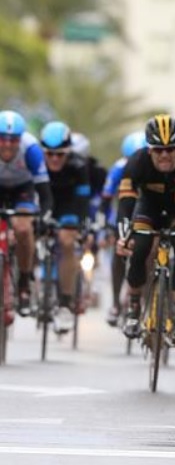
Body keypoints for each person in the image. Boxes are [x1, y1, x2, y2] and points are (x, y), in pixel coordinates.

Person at [117, 114, 175, 348]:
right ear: (149, 150)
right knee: (139, 248)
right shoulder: (137, 163)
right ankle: (133, 309)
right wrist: (123, 235)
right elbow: (126, 203)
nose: (165, 155)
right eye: (158, 150)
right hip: (147, 208)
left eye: (170, 149)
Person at [39, 121, 91, 333]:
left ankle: (65, 302)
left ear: (68, 150)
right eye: (49, 154)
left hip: (69, 205)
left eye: (60, 154)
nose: (54, 159)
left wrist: (81, 226)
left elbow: (83, 201)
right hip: (43, 201)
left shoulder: (78, 166)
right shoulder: (36, 163)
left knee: (66, 241)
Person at [0, 110, 52, 316]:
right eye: (2, 138)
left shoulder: (31, 149)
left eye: (13, 139)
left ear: (20, 139)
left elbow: (45, 193)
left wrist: (44, 217)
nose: (7, 144)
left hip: (23, 189)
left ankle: (23, 282)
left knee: (23, 228)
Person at [101, 131, 147, 326]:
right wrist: (107, 226)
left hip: (146, 210)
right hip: (123, 210)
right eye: (130, 158)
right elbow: (106, 197)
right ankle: (115, 303)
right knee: (118, 252)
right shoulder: (118, 168)